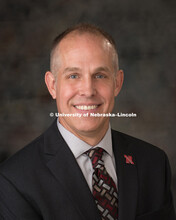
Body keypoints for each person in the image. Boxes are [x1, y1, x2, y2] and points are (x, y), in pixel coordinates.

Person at [0, 23, 175, 220]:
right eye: (73, 76)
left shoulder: (153, 163)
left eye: (99, 75)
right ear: (52, 85)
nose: (88, 90)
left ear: (117, 83)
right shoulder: (15, 180)